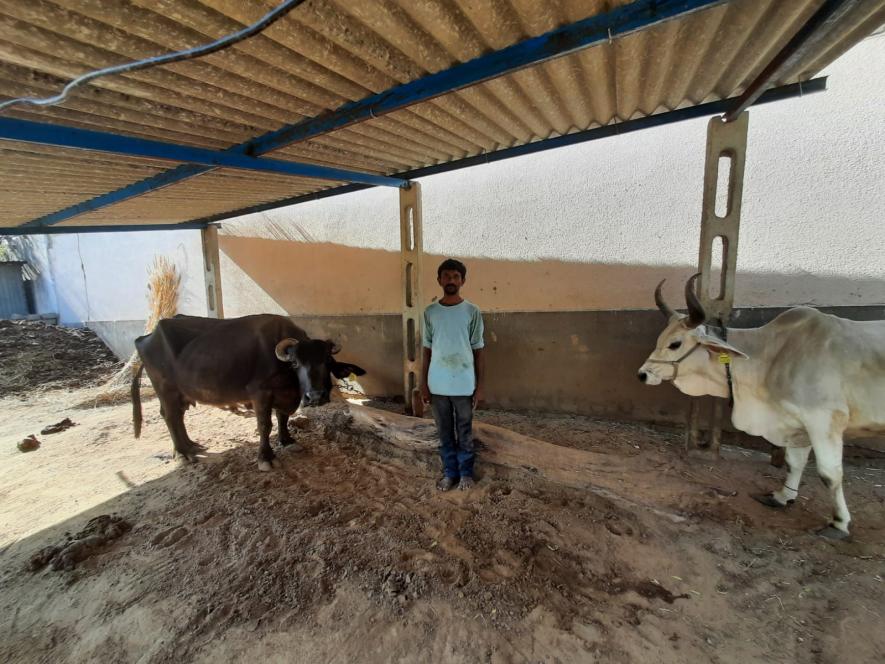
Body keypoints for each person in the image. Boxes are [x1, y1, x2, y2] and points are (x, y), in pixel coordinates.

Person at [421, 258, 485, 491]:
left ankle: (466, 474)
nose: (451, 280)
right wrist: (423, 384)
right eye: (446, 276)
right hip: (437, 386)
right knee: (445, 433)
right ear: (439, 280)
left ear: (463, 281)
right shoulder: (430, 312)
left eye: (456, 276)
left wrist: (480, 386)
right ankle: (450, 474)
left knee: (465, 432)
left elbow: (478, 351)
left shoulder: (472, 311)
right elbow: (426, 351)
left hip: (464, 385)